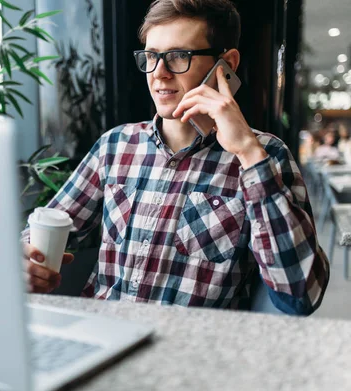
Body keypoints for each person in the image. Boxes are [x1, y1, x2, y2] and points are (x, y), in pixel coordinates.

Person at [22, 0, 329, 315]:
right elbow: (45, 228)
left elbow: (301, 294)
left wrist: (248, 153)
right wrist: (25, 258)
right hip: (104, 335)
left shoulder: (266, 156)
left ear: (226, 65)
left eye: (179, 56)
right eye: (152, 56)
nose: (159, 74)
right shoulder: (115, 146)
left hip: (191, 352)